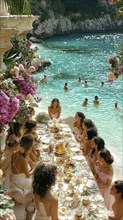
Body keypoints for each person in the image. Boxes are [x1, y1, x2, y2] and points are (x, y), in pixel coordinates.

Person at [6, 135, 34, 205]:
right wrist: (35, 168)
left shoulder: (15, 152)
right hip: (20, 182)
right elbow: (28, 175)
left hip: (13, 177)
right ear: (29, 147)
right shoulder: (22, 159)